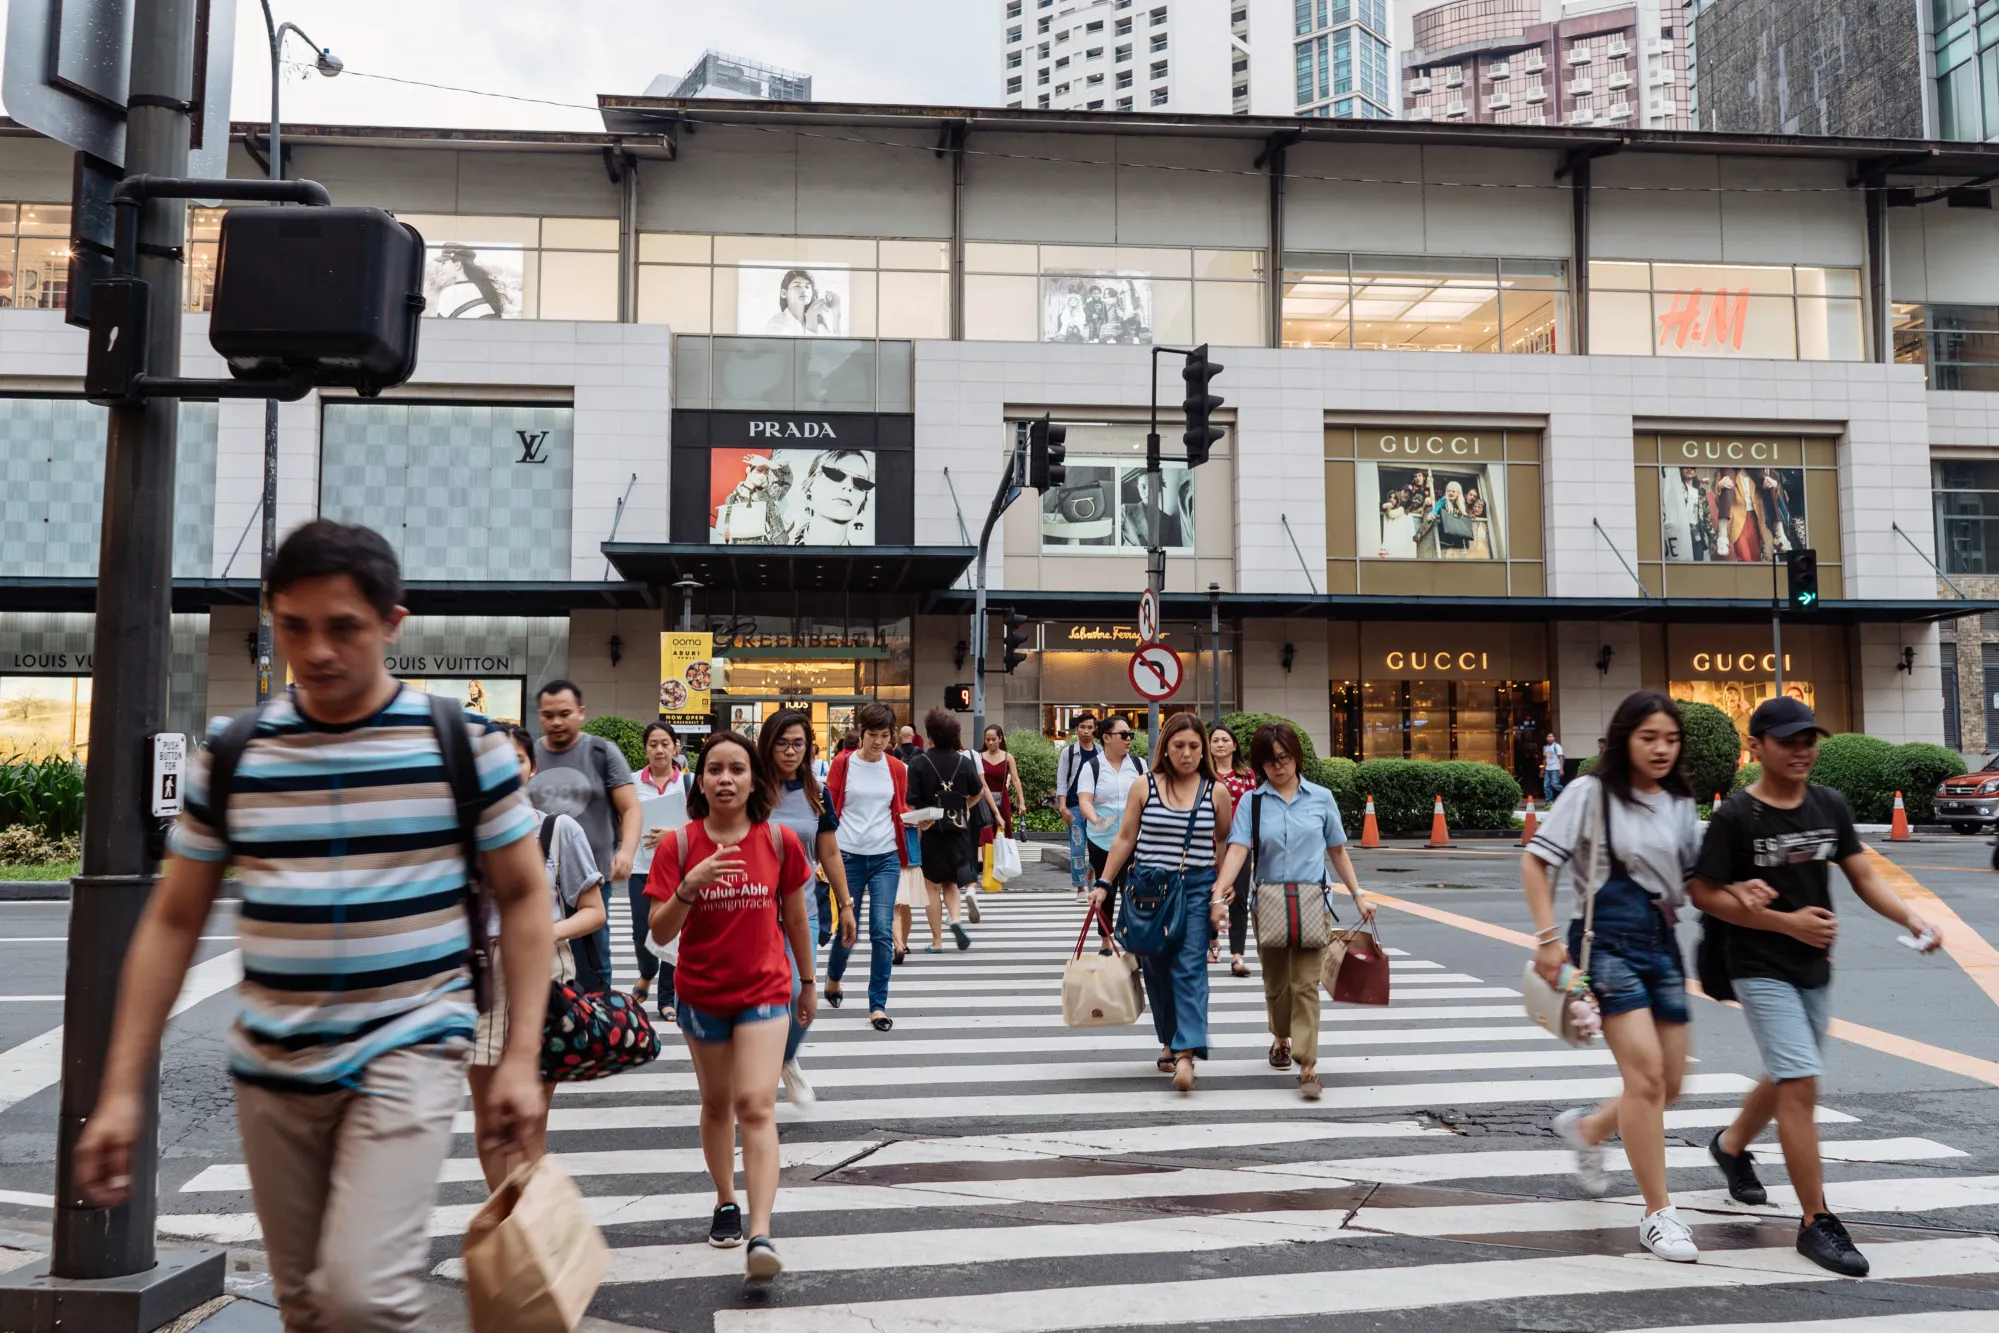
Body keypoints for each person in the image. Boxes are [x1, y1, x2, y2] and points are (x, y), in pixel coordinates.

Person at [73, 519, 553, 1332]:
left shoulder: (462, 746)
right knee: (306, 1309)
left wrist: (519, 1056)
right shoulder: (234, 753)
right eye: (294, 626)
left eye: (345, 628)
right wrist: (119, 1089)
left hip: (410, 1045)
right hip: (272, 1067)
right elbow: (173, 919)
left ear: (393, 623)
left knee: (361, 1299)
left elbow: (526, 898)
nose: (319, 651)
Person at [1691, 697, 1943, 1278]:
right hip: (1757, 963)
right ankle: (1815, 1221)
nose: (1802, 750)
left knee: (1787, 1071)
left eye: (1809, 739)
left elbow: (1861, 874)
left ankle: (1730, 1147)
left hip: (1814, 965)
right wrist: (1784, 920)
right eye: (1788, 740)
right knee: (1801, 1081)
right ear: (1755, 748)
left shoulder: (1829, 805)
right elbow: (1703, 893)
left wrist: (1911, 918)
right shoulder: (1737, 817)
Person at [1523, 692, 1720, 1264]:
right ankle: (1659, 1214)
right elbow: (1537, 860)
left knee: (1671, 1084)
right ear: (1625, 738)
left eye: (1670, 739)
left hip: (1662, 942)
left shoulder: (1680, 802)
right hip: (1606, 943)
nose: (1661, 749)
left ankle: (1588, 1130)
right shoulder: (1591, 793)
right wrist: (1547, 938)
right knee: (1647, 1079)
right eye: (1649, 737)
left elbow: (1694, 880)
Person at [647, 732, 816, 1283]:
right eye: (714, 769)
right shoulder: (678, 846)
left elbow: (794, 919)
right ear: (699, 780)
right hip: (700, 993)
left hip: (766, 990)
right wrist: (689, 888)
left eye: (737, 769)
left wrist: (809, 982)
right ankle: (726, 1199)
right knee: (717, 1103)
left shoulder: (780, 841)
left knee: (755, 1104)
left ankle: (761, 1232)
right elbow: (659, 932)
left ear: (753, 780)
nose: (725, 779)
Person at [469, 726, 607, 1189]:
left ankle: (527, 1226)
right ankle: (504, 1220)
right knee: (489, 1120)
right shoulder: (460, 839)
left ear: (532, 768)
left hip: (543, 976)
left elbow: (592, 912)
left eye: (518, 760)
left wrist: (537, 933)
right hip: (480, 979)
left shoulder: (556, 828)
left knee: (529, 1118)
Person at [1215, 721, 1370, 1101]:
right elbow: (1237, 848)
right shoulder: (1252, 802)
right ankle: (1280, 1037)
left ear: (1296, 756)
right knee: (1277, 984)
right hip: (1267, 901)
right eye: (1269, 762)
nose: (1278, 767)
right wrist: (1219, 893)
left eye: (1284, 758)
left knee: (1305, 985)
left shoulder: (1321, 797)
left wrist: (1358, 894)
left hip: (1312, 901)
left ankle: (1308, 1064)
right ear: (1260, 765)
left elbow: (1336, 849)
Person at [1089, 711, 1233, 1092]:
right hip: (1149, 891)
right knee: (1155, 969)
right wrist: (1104, 883)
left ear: (1203, 750)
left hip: (1198, 888)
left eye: (1194, 747)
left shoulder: (1215, 791)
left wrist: (1220, 892)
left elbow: (1222, 842)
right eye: (1179, 746)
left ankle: (1185, 1054)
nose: (1187, 754)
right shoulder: (1144, 786)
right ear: (1165, 748)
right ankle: (1170, 1038)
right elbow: (1124, 839)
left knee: (1189, 969)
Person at [758, 710, 857, 1109]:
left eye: (798, 743)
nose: (790, 751)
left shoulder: (817, 791)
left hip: (804, 908)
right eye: (782, 743)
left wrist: (846, 904)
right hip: (754, 908)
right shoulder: (753, 788)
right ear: (768, 745)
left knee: (802, 994)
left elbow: (829, 851)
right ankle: (756, 1074)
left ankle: (785, 1058)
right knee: (762, 1001)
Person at [532, 681, 639, 994]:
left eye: (564, 713)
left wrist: (627, 851)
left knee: (591, 960)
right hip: (539, 879)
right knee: (542, 955)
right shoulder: (530, 756)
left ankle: (596, 1017)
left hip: (589, 878)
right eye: (548, 715)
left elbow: (630, 808)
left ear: (581, 713)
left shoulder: (601, 752)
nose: (556, 722)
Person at [825, 702, 911, 1031]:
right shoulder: (842, 764)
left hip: (886, 856)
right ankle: (833, 978)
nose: (878, 742)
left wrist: (916, 822)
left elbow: (899, 809)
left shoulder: (896, 768)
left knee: (881, 931)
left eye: (884, 736)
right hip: (847, 857)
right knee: (848, 930)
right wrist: (823, 855)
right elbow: (829, 812)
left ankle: (878, 1005)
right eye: (872, 735)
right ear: (860, 733)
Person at [908, 707, 1001, 953]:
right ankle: (956, 920)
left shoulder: (919, 762)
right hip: (958, 828)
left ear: (930, 736)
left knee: (931, 885)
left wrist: (922, 819)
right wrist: (964, 807)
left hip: (931, 831)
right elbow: (978, 790)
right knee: (951, 883)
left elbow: (911, 800)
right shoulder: (965, 761)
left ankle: (937, 941)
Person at [631, 722, 692, 1009]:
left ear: (675, 747)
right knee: (642, 931)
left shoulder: (688, 784)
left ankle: (666, 998)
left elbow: (703, 824)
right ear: (645, 749)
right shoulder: (631, 783)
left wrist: (675, 834)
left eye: (665, 743)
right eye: (653, 744)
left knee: (673, 931)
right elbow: (623, 819)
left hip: (676, 869)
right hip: (641, 868)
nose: (659, 749)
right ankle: (646, 972)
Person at [1077, 716, 1146, 952]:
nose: (1128, 740)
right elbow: (1085, 799)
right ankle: (1105, 938)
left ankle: (1128, 933)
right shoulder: (1092, 767)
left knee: (1132, 889)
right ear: (1106, 738)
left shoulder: (1139, 765)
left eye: (1130, 735)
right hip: (1101, 838)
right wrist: (1095, 818)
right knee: (1105, 887)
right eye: (1123, 735)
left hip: (1134, 839)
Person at [1209, 723, 1256, 976]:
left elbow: (1253, 809)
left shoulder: (1247, 775)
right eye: (1215, 740)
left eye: (1225, 740)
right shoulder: (1203, 774)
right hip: (1206, 844)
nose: (1220, 744)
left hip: (1239, 845)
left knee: (1238, 898)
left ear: (1234, 745)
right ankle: (1212, 940)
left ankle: (1237, 956)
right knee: (1209, 895)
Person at [978, 724, 1027, 918]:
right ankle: (988, 872)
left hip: (1003, 800)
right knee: (986, 835)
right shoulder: (979, 757)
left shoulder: (1008, 758)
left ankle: (1001, 871)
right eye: (987, 739)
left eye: (993, 739)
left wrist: (1021, 802)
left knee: (1003, 835)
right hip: (983, 801)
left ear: (1000, 738)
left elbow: (1015, 780)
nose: (990, 743)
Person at [1056, 713, 1102, 900]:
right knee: (1077, 847)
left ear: (1095, 729)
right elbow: (1062, 781)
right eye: (1082, 727)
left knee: (1098, 846)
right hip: (1075, 807)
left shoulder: (1101, 752)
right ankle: (1081, 887)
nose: (1086, 731)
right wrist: (1063, 807)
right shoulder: (1068, 753)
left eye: (1090, 727)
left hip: (1095, 807)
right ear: (1077, 729)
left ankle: (1091, 871)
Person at [788, 449, 874, 546]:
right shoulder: (782, 544)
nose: (849, 487)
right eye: (835, 475)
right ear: (810, 486)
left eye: (860, 483)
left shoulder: (864, 559)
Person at [1542, 733, 1566, 803]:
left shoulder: (1557, 746)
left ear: (1554, 738)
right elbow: (1545, 758)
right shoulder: (1546, 747)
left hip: (1555, 768)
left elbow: (1561, 758)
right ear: (1546, 738)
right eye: (1548, 736)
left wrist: (1561, 769)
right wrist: (1543, 769)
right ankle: (1549, 802)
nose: (1549, 738)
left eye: (1551, 736)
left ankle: (1567, 791)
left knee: (1554, 784)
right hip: (1548, 768)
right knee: (1546, 786)